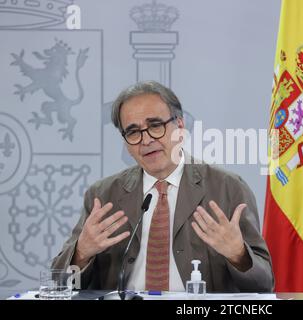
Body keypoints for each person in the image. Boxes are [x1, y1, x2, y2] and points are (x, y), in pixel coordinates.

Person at [52, 81, 274, 293]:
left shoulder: (227, 188)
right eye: (133, 132)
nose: (146, 140)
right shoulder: (103, 195)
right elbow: (59, 282)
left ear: (179, 125)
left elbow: (264, 285)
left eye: (155, 125)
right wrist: (81, 254)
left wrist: (239, 255)